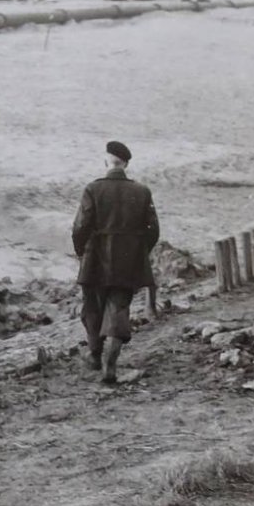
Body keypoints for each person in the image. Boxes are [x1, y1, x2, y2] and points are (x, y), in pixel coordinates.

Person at [72, 141, 159, 385]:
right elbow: (153, 231)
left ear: (106, 164)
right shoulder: (142, 191)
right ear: (126, 164)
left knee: (92, 309)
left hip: (95, 259)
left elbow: (80, 227)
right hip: (127, 260)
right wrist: (138, 252)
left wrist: (82, 252)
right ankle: (110, 362)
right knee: (118, 308)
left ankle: (94, 355)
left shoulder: (92, 189)